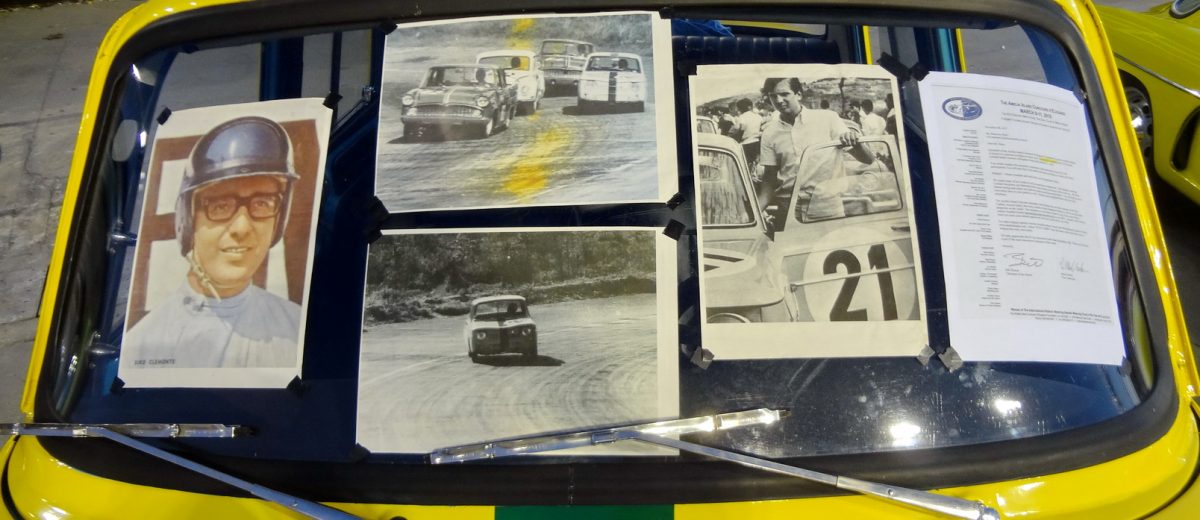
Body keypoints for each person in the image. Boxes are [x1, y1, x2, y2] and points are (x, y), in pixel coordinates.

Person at [124, 116, 303, 369]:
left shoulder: (297, 329)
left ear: (279, 220)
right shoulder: (143, 345)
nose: (242, 228)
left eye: (263, 203)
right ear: (188, 221)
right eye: (220, 206)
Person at [758, 77, 872, 220]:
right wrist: (753, 213)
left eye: (784, 94)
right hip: (787, 211)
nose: (779, 100)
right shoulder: (769, 132)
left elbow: (868, 159)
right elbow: (769, 180)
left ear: (799, 94)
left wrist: (855, 142)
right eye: (773, 96)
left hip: (827, 208)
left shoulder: (828, 119)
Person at [734, 97, 763, 166]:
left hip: (746, 144)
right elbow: (761, 129)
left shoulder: (742, 117)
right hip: (757, 143)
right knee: (756, 164)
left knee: (746, 164)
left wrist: (737, 140)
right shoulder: (758, 116)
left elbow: (742, 129)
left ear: (741, 108)